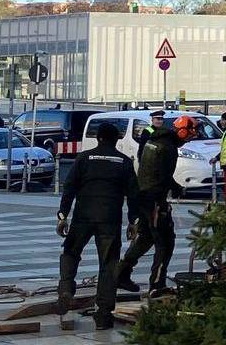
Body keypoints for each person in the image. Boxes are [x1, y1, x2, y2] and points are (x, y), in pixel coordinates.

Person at [56, 121, 134, 329]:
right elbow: (133, 194)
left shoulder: (84, 158)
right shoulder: (124, 161)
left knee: (71, 252)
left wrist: (62, 215)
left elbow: (69, 187)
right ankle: (103, 315)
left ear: (98, 138)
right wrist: (133, 221)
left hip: (83, 216)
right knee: (108, 264)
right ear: (116, 140)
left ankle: (66, 288)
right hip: (110, 219)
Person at [117, 113, 188, 297]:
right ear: (182, 133)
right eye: (189, 136)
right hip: (155, 200)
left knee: (146, 238)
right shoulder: (168, 147)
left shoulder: (154, 140)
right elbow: (164, 175)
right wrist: (177, 188)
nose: (187, 141)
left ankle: (120, 273)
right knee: (165, 242)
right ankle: (157, 284)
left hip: (143, 196)